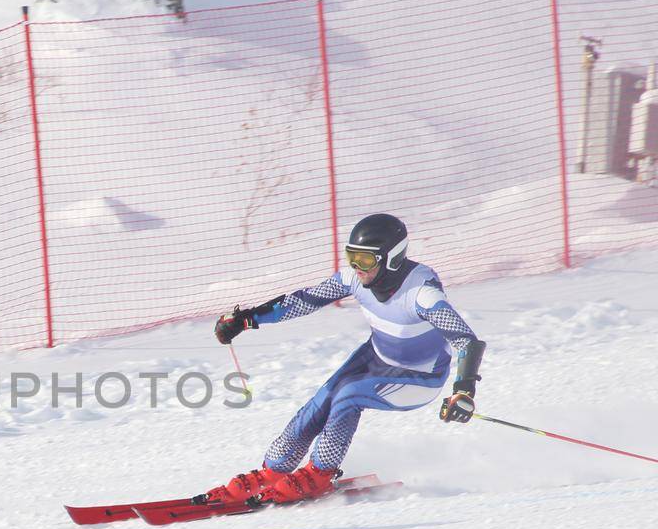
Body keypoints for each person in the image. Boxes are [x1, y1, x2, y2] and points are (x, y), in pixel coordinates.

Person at [203, 213, 484, 505]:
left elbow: (466, 339)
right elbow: (306, 300)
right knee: (323, 400)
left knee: (349, 396)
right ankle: (273, 471)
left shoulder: (421, 294)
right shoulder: (355, 278)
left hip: (420, 378)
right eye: (352, 257)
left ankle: (320, 474)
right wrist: (248, 319)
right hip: (376, 357)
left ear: (392, 259)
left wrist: (463, 390)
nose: (355, 267)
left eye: (365, 260)